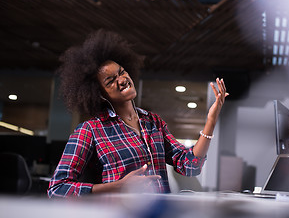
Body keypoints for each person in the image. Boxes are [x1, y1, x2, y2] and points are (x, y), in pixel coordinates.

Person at [47, 29, 228, 197]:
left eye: (122, 72)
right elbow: (57, 188)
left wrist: (211, 121)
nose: (122, 80)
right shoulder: (91, 130)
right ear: (99, 94)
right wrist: (117, 186)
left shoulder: (153, 122)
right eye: (110, 80)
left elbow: (190, 166)